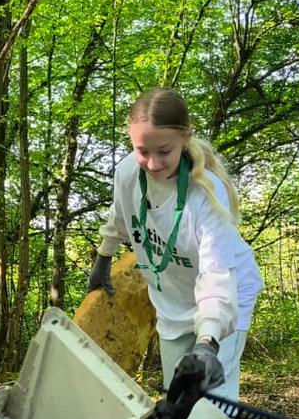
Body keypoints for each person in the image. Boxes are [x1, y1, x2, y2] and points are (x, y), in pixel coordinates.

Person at [86, 87, 263, 395]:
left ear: (185, 138)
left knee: (210, 407)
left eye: (164, 152)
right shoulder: (128, 172)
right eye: (143, 151)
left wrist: (208, 341)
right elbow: (120, 214)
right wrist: (104, 256)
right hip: (171, 302)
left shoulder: (206, 193)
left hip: (225, 297)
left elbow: (217, 276)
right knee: (176, 400)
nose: (153, 164)